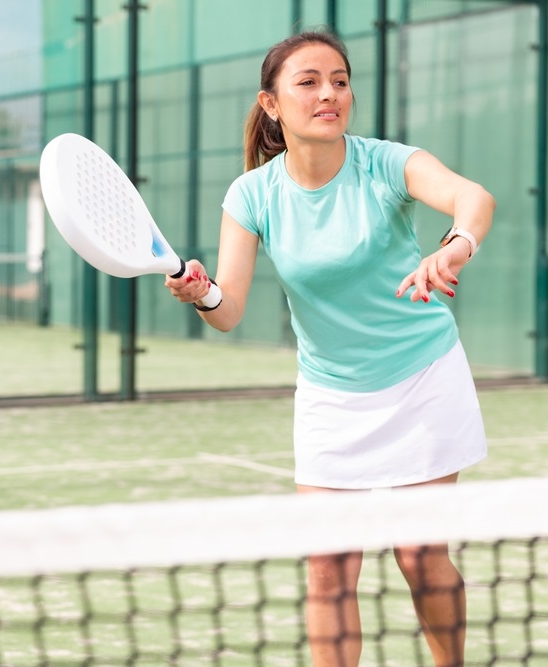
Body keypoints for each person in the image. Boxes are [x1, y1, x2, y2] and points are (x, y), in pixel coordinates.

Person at [165, 30, 493, 667]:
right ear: (271, 104)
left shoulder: (383, 162)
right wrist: (201, 293)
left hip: (422, 377)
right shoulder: (252, 195)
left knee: (420, 554)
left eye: (339, 81)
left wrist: (454, 247)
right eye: (308, 82)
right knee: (327, 569)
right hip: (329, 394)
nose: (329, 94)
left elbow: (471, 197)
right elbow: (227, 310)